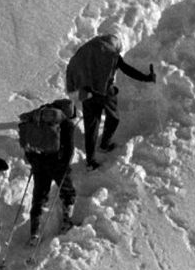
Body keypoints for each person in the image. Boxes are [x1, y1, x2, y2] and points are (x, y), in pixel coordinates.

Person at [63, 32, 156, 168]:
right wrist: (147, 78)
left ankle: (90, 162)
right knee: (113, 118)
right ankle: (104, 144)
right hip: (105, 93)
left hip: (87, 93)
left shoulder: (86, 51)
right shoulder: (112, 55)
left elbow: (72, 67)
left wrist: (74, 88)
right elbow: (127, 70)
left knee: (91, 128)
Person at [16, 98, 78, 244]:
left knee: (39, 196)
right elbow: (69, 148)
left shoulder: (37, 119)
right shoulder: (65, 123)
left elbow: (27, 144)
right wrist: (64, 165)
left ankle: (34, 232)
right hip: (56, 163)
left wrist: (33, 160)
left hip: (38, 161)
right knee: (67, 191)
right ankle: (66, 222)